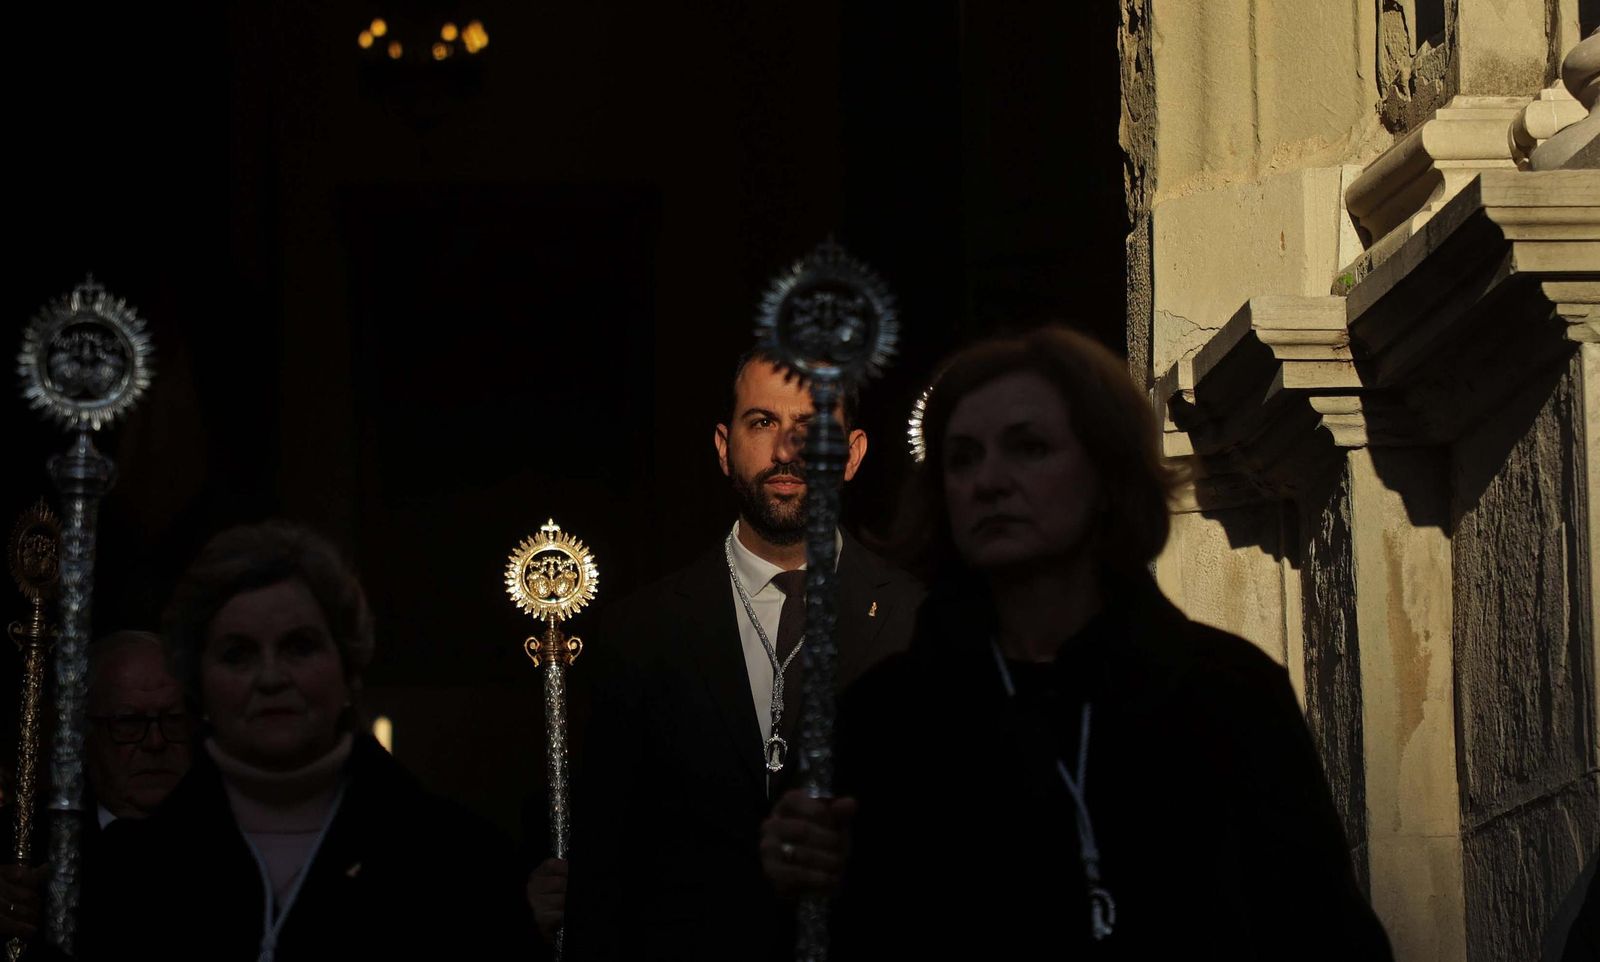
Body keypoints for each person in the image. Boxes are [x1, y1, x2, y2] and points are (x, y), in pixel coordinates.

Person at [760, 326, 1394, 959]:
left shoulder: (1227, 694)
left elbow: (1327, 936)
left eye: (1029, 447)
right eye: (964, 457)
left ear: (1106, 473)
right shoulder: (886, 719)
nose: (989, 481)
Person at [559, 350, 923, 960]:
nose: (786, 451)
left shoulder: (917, 621)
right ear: (725, 448)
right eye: (762, 422)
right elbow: (604, 867)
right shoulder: (640, 632)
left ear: (853, 454)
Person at [78, 522, 535, 960]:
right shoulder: (123, 875)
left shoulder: (461, 861)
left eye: (300, 647)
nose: (271, 677)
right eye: (238, 653)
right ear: (198, 684)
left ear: (348, 669)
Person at [0, 630, 192, 946]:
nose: (155, 742)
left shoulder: (245, 831)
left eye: (174, 719)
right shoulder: (23, 842)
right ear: (84, 736)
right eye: (128, 722)